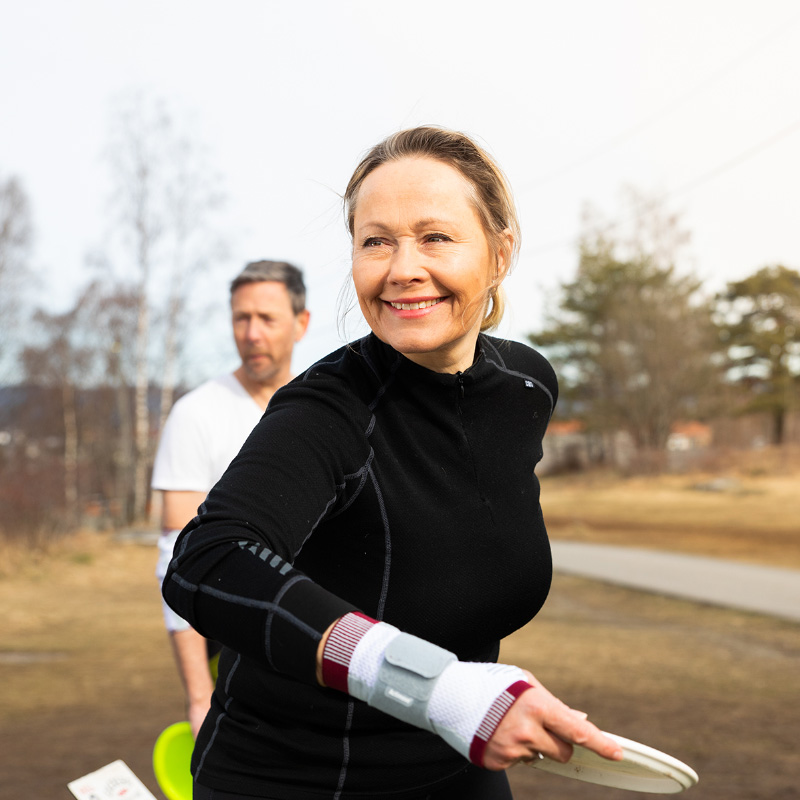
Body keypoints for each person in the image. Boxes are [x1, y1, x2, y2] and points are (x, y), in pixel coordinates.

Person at [163, 127, 623, 800]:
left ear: (499, 251)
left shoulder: (526, 385)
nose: (402, 266)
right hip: (296, 779)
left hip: (459, 769)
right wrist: (428, 684)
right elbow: (206, 560)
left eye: (434, 236)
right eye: (376, 240)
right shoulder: (330, 408)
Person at [152, 260, 310, 737]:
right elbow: (174, 558)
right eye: (241, 318)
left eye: (267, 318)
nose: (252, 333)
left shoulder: (319, 410)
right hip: (234, 650)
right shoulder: (196, 414)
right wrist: (200, 696)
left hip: (320, 640)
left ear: (301, 324)